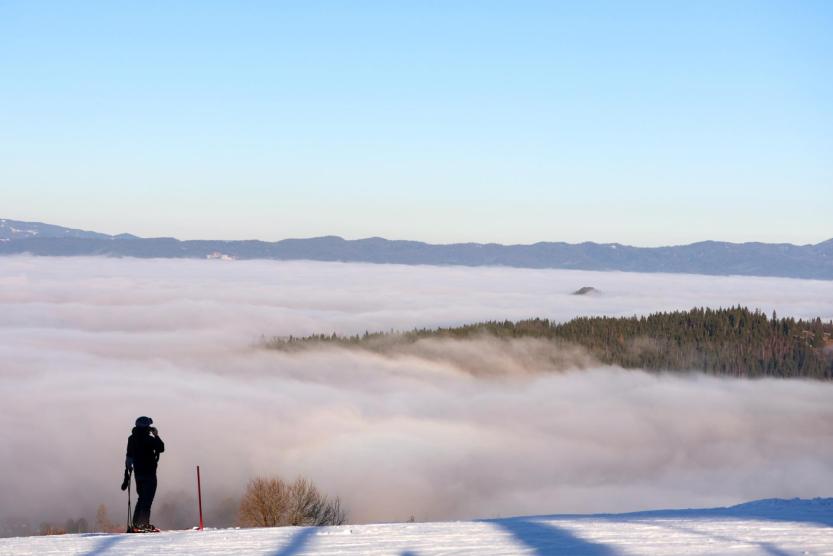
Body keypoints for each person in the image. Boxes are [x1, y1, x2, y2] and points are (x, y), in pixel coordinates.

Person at [121, 416, 165, 532]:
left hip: (138, 473)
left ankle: (136, 524)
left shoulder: (131, 438)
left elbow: (129, 455)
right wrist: (156, 435)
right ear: (146, 427)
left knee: (141, 498)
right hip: (149, 473)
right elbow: (161, 448)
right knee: (147, 500)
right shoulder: (149, 439)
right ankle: (144, 525)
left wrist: (128, 472)